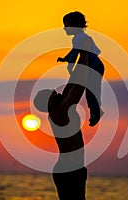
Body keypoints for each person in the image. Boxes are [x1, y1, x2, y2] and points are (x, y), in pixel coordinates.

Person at [33, 51, 90, 200]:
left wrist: (80, 54)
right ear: (49, 104)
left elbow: (73, 81)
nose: (57, 94)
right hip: (69, 170)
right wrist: (85, 56)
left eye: (54, 92)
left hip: (74, 168)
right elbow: (79, 88)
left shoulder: (60, 106)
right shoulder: (60, 113)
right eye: (53, 95)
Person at [57, 11, 105, 127]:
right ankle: (96, 110)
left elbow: (75, 53)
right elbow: (74, 51)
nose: (64, 28)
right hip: (93, 64)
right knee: (91, 90)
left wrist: (70, 64)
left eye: (66, 25)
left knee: (91, 90)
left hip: (93, 64)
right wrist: (66, 59)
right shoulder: (80, 38)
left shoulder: (80, 38)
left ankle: (96, 112)